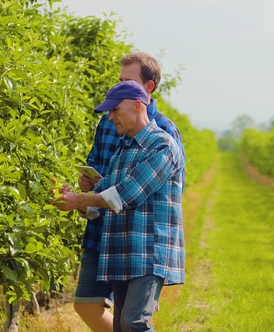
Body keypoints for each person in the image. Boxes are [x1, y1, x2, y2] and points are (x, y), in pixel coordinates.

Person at [60, 52, 184, 332]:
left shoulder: (162, 144)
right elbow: (100, 200)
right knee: (121, 326)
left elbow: (125, 195)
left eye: (116, 109)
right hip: (120, 248)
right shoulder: (122, 147)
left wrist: (81, 199)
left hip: (148, 249)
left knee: (133, 323)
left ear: (140, 102)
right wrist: (74, 201)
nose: (110, 116)